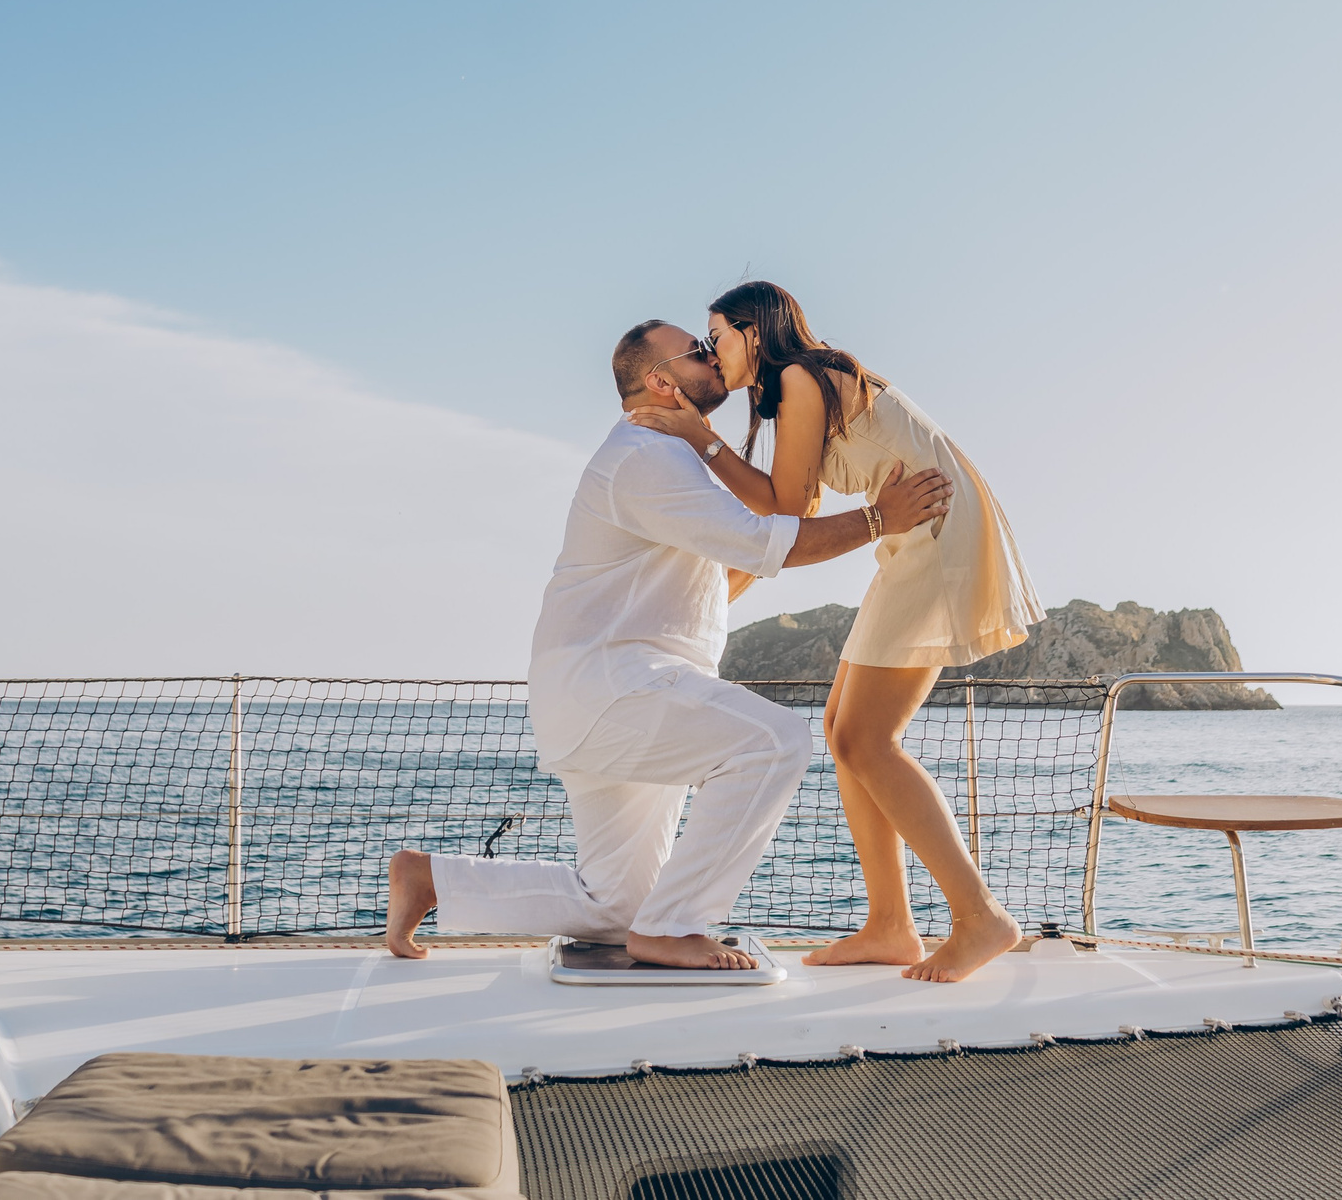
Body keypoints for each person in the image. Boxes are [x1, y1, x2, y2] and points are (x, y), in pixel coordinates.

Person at [386, 319, 952, 970]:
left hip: (611, 695)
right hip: (616, 687)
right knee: (776, 741)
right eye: (699, 351)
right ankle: (676, 924)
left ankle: (431, 879)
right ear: (660, 380)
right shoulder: (646, 457)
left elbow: (745, 550)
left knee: (616, 907)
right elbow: (767, 545)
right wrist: (884, 517)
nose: (714, 358)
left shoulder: (669, 454)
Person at [627, 281, 1041, 982]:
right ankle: (891, 925)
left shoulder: (796, 374)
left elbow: (784, 507)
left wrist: (700, 437)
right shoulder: (797, 387)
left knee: (864, 737)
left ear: (754, 331)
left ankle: (980, 916)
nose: (713, 351)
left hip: (935, 529)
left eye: (718, 336)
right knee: (841, 728)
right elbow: (794, 516)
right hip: (916, 533)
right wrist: (715, 595)